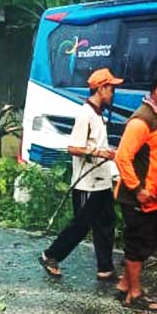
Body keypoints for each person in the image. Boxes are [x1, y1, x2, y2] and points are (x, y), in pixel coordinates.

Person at [39, 68, 122, 281]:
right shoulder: (85, 114)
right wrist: (98, 152)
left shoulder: (98, 113)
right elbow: (73, 148)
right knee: (81, 225)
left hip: (102, 181)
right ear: (101, 88)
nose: (113, 93)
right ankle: (51, 255)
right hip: (87, 183)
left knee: (106, 222)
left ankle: (105, 268)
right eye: (111, 88)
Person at [113, 68, 157, 312]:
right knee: (139, 241)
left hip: (156, 195)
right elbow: (122, 157)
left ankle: (124, 283)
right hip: (137, 196)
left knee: (149, 239)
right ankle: (135, 293)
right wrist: (137, 189)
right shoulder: (140, 121)